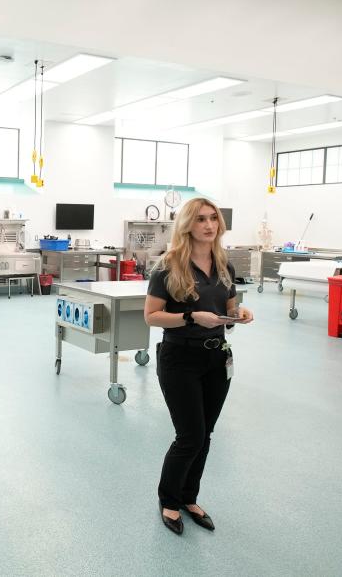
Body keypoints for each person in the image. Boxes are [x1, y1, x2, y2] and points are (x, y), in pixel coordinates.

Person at [144, 197, 254, 535]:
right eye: (201, 219)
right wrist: (191, 316)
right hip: (180, 359)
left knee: (205, 434)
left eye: (213, 219)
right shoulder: (168, 266)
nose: (209, 225)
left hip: (217, 357)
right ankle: (168, 500)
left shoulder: (225, 265)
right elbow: (152, 316)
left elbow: (231, 308)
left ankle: (189, 497)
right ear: (188, 225)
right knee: (189, 436)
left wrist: (240, 314)